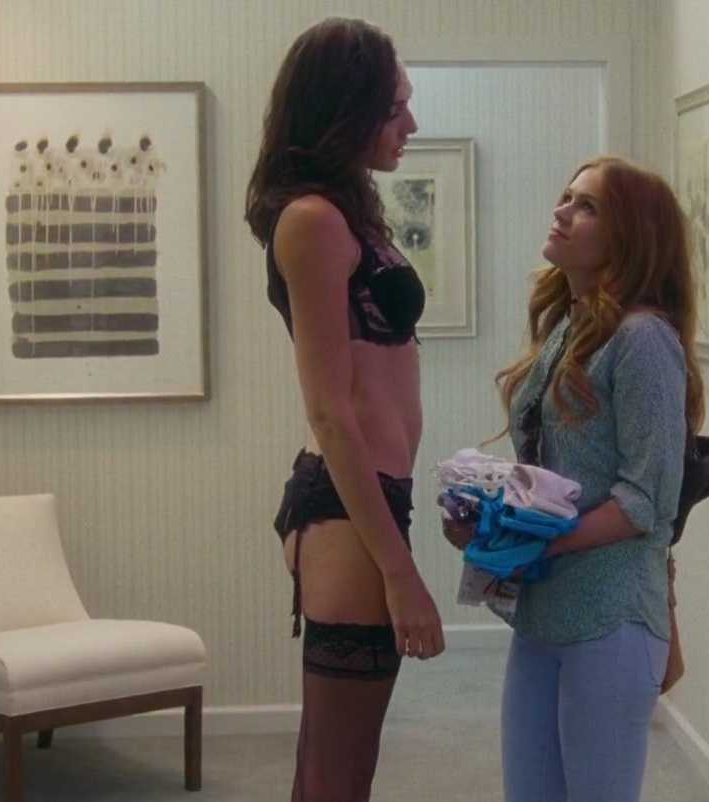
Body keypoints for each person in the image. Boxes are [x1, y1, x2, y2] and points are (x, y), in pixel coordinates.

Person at [244, 17, 443, 801]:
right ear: (345, 109)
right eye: (395, 107)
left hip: (370, 501)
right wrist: (402, 573)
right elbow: (330, 412)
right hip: (348, 507)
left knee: (335, 768)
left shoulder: (345, 209)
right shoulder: (313, 220)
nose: (410, 123)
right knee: (338, 774)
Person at [489, 156, 706, 802]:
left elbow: (645, 501)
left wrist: (540, 542)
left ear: (628, 236)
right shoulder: (570, 326)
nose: (561, 211)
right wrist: (492, 515)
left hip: (610, 615)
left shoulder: (643, 341)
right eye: (566, 196)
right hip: (543, 611)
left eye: (586, 206)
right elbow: (557, 470)